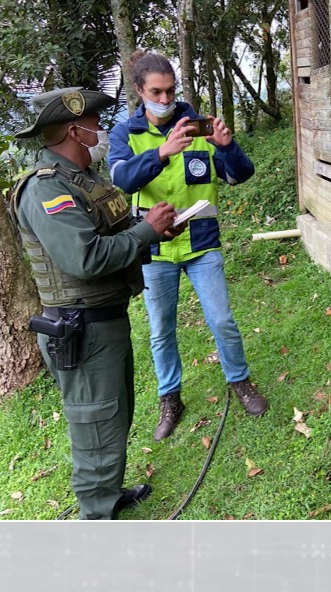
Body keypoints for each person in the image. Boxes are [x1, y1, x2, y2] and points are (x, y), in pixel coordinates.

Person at [7, 86, 179, 519]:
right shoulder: (46, 190)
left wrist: (149, 230)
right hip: (80, 328)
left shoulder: (82, 181)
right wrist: (145, 233)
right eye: (94, 126)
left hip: (103, 319)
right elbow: (83, 257)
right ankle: (96, 516)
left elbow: (104, 231)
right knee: (94, 422)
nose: (100, 132)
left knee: (112, 415)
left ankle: (107, 492)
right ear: (75, 132)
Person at [108, 51, 268, 440]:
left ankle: (240, 381)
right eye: (155, 93)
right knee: (161, 329)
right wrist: (162, 153)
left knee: (222, 319)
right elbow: (121, 179)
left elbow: (239, 175)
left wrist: (228, 147)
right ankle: (170, 398)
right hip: (155, 248)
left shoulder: (198, 126)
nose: (164, 101)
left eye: (170, 91)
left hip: (201, 243)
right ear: (139, 91)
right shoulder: (125, 134)